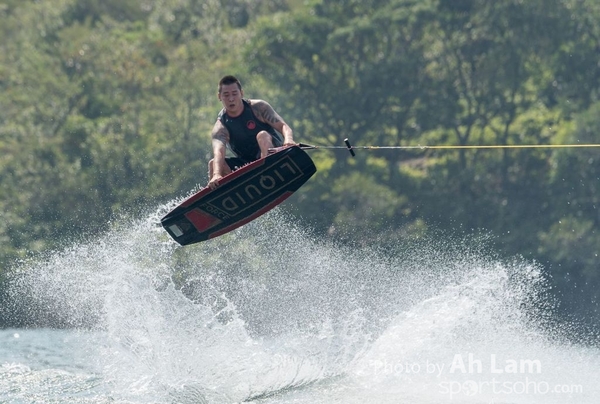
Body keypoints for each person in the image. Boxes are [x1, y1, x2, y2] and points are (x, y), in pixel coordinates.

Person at [207, 75, 296, 189]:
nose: (231, 99)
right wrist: (217, 175)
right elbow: (219, 152)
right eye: (226, 95)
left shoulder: (258, 108)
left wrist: (289, 140)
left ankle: (268, 171)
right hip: (248, 164)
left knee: (262, 135)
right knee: (213, 164)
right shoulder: (221, 127)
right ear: (219, 96)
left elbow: (283, 126)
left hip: (273, 154)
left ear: (241, 93)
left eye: (234, 94)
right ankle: (219, 196)